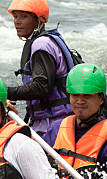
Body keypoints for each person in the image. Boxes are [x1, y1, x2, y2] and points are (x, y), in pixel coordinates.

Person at [7, 0, 79, 135]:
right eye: (16, 16)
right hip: (51, 122)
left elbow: (41, 87)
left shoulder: (41, 45)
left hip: (55, 126)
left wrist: (5, 92)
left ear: (39, 20)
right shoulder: (46, 40)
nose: (17, 21)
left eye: (24, 16)